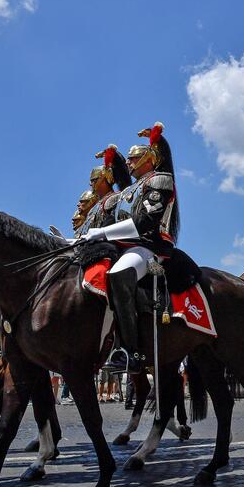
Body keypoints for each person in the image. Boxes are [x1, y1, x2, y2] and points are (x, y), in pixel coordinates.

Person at [80, 122, 179, 373]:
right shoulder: (130, 190)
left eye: (135, 159)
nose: (130, 164)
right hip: (124, 246)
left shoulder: (161, 180)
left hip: (149, 245)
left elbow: (144, 223)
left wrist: (101, 232)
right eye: (130, 159)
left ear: (150, 158)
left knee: (118, 275)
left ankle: (130, 351)